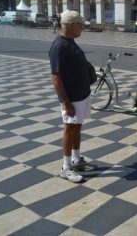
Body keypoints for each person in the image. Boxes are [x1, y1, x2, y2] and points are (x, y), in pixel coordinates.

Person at [49, 10, 97, 183]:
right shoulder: (59, 46)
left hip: (81, 95)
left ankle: (76, 160)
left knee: (77, 128)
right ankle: (66, 167)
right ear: (69, 25)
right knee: (69, 129)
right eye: (80, 25)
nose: (82, 28)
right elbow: (55, 77)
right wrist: (66, 102)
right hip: (72, 98)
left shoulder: (70, 42)